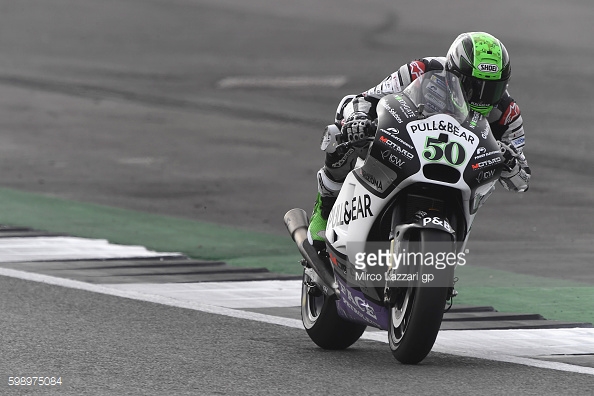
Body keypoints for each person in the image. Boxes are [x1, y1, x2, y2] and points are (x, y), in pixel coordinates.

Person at [307, 31, 531, 248]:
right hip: (406, 142)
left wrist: (511, 163)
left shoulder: (507, 111)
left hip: (459, 168)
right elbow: (363, 100)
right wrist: (359, 118)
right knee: (340, 135)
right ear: (454, 72)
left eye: (493, 89)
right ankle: (324, 212)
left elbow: (521, 180)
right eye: (474, 86)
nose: (482, 98)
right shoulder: (420, 70)